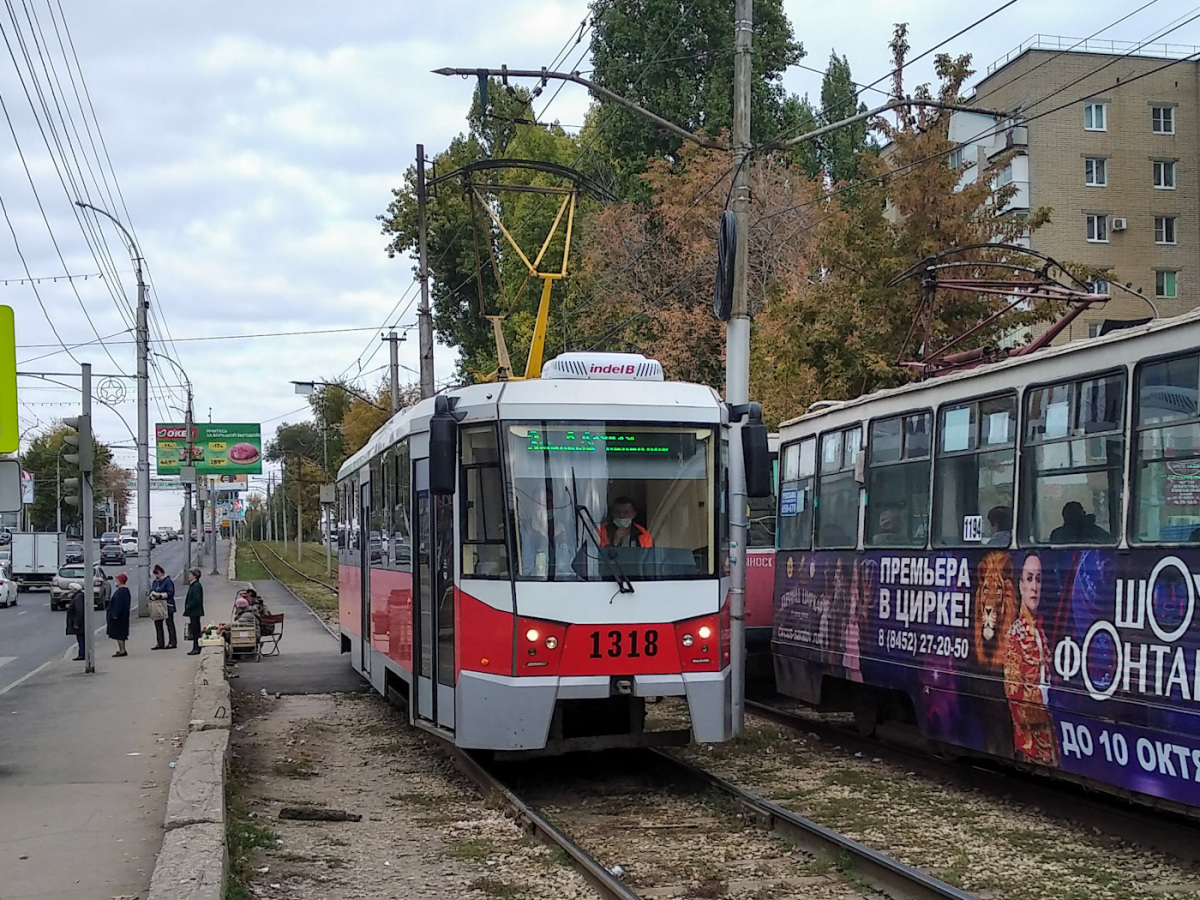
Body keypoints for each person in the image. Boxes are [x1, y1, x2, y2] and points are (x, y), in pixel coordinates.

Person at [1003, 552, 1058, 766]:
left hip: (1050, 740)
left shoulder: (1041, 632)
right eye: (1029, 578)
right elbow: (1015, 698)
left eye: (1038, 579)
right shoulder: (1015, 636)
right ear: (1020, 585)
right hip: (1031, 746)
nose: (1034, 586)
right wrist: (1047, 703)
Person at [521, 484, 578, 576]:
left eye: (547, 502)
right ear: (532, 505)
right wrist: (543, 532)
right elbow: (527, 569)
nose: (543, 506)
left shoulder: (565, 529)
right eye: (538, 502)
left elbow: (572, 566)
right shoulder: (526, 530)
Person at [150, 564, 177, 650]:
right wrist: (152, 595)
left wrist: (160, 595)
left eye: (157, 574)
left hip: (167, 605)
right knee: (158, 624)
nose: (156, 576)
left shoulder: (168, 581)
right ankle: (160, 643)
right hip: (157, 606)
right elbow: (152, 590)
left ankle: (172, 642)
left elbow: (170, 593)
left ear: (162, 573)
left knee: (169, 624)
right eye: (155, 574)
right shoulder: (155, 582)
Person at [107, 572, 132, 657]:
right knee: (120, 634)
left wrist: (115, 614)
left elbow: (119, 604)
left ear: (120, 581)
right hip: (122, 616)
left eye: (117, 580)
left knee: (119, 634)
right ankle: (122, 649)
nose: (115, 581)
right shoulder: (124, 591)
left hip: (119, 617)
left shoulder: (121, 592)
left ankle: (122, 650)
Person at [184, 567, 205, 655]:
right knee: (194, 629)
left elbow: (196, 599)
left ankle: (197, 647)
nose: (189, 576)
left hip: (195, 611)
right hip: (193, 611)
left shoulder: (196, 586)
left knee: (195, 630)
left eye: (190, 574)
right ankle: (196, 647)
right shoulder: (194, 585)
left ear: (195, 576)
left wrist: (189, 606)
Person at [64, 582, 86, 661]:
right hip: (80, 622)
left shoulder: (78, 598)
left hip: (80, 623)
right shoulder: (78, 597)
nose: (69, 590)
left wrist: (76, 623)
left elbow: (79, 611)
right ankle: (82, 653)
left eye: (71, 589)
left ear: (75, 589)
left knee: (81, 638)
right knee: (81, 638)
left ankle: (82, 654)